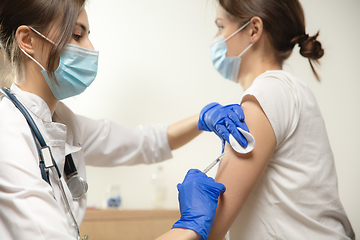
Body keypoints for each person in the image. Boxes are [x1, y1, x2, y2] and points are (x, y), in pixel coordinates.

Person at [0, 1, 250, 240]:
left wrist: (203, 119)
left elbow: (143, 142)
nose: (90, 48)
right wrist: (189, 227)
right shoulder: (8, 135)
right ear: (27, 40)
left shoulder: (63, 122)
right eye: (77, 35)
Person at [204, 0, 356, 239]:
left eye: (221, 25)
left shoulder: (267, 93)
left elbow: (210, 229)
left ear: (254, 30)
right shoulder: (287, 90)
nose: (217, 37)